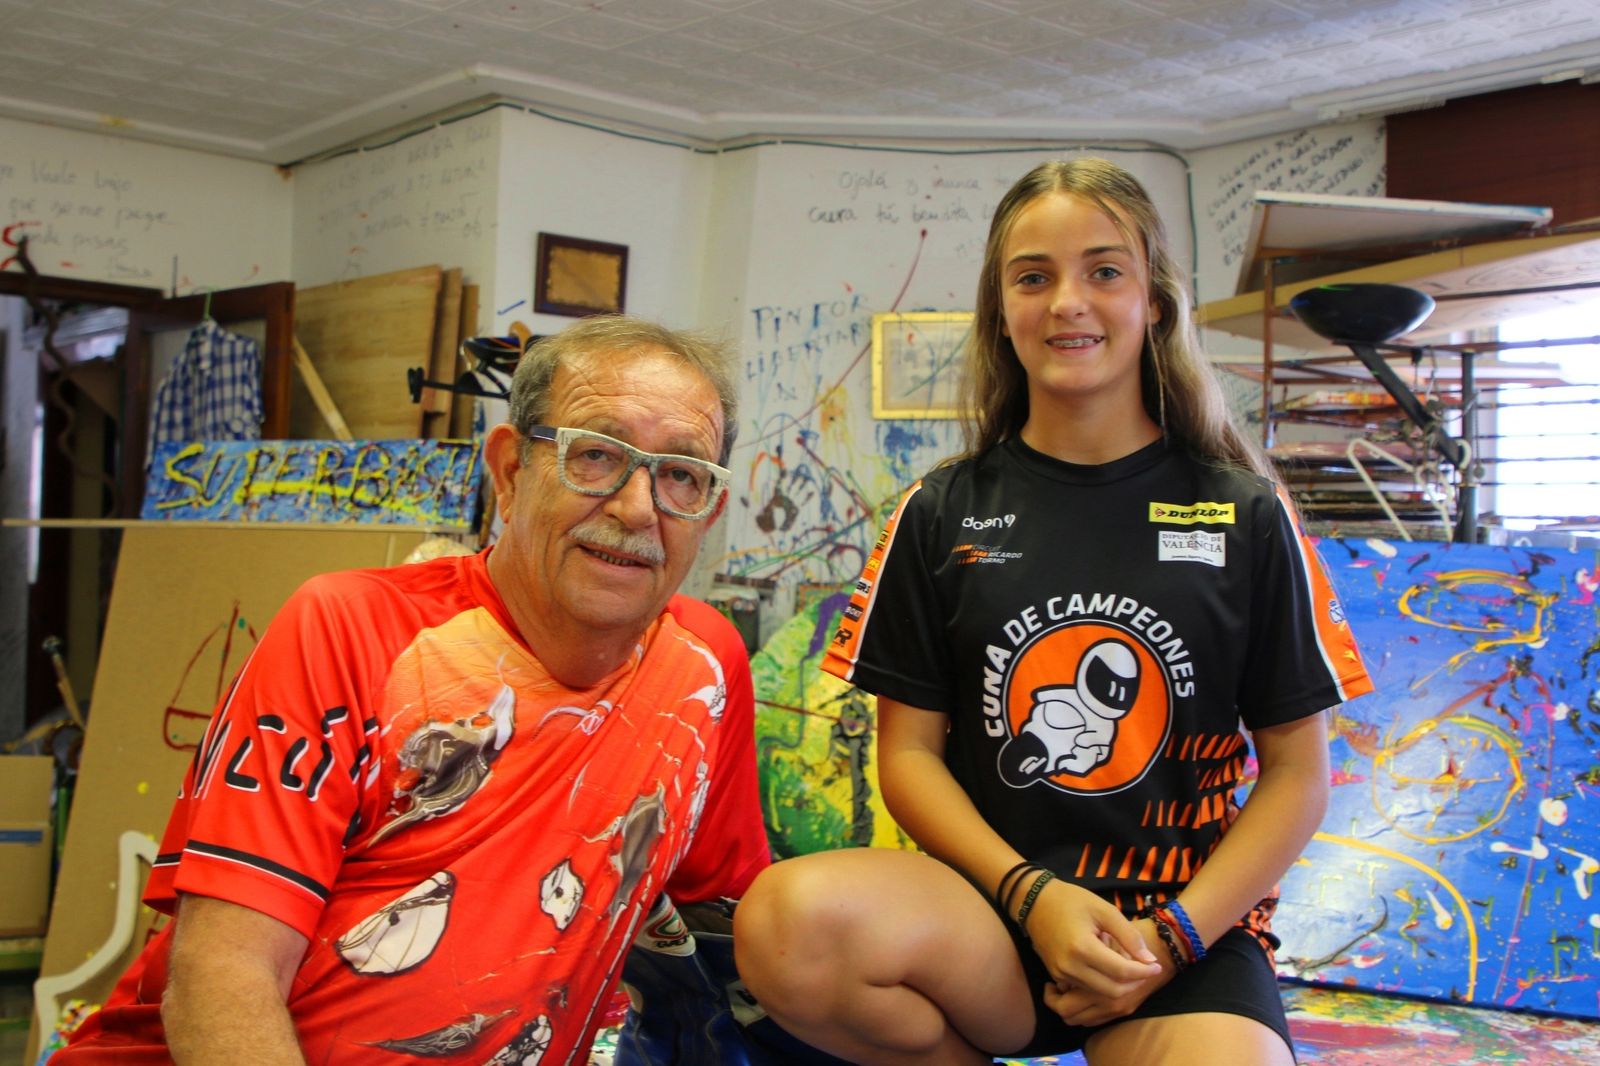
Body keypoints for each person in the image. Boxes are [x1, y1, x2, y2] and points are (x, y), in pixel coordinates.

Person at [733, 158, 1374, 1066]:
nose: (1067, 300)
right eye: (1033, 277)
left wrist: (1174, 939)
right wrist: (1032, 897)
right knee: (784, 924)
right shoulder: (939, 511)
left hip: (1176, 934)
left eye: (1105, 271)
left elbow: (1298, 777)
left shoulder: (1247, 514)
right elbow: (908, 756)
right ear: (1003, 310)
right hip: (990, 921)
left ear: (1154, 301)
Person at [57, 315, 772, 1064]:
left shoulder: (704, 668)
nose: (637, 508)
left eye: (682, 475)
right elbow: (224, 972)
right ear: (508, 470)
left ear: (710, 511)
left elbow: (721, 921)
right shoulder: (350, 631)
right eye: (594, 456)